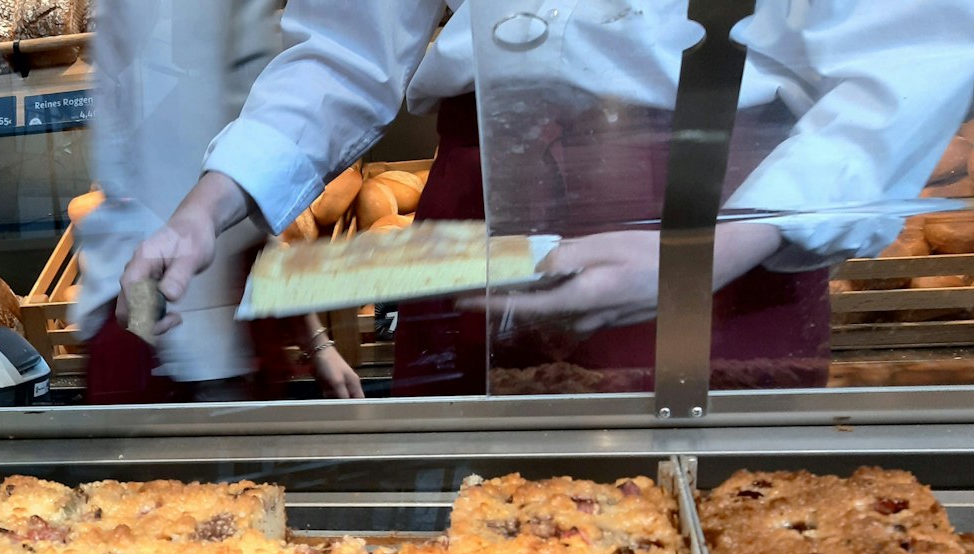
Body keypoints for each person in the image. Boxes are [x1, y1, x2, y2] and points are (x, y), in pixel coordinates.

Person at [122, 0, 974, 395]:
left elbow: (907, 61)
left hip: (734, 217)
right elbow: (349, 48)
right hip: (480, 195)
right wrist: (210, 205)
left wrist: (714, 248)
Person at [73, 0, 362, 402]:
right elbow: (154, 178)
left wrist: (312, 337)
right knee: (174, 462)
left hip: (204, 311)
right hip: (172, 329)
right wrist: (192, 360)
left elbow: (252, 148)